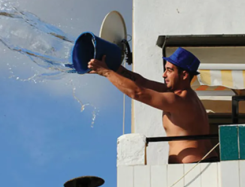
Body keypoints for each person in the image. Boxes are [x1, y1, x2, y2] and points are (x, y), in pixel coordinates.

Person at [88, 47, 218, 164]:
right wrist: (112, 67)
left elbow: (138, 92)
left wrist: (106, 73)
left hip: (195, 168)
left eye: (169, 70)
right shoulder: (183, 95)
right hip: (200, 165)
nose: (164, 75)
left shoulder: (180, 100)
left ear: (184, 75)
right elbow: (141, 82)